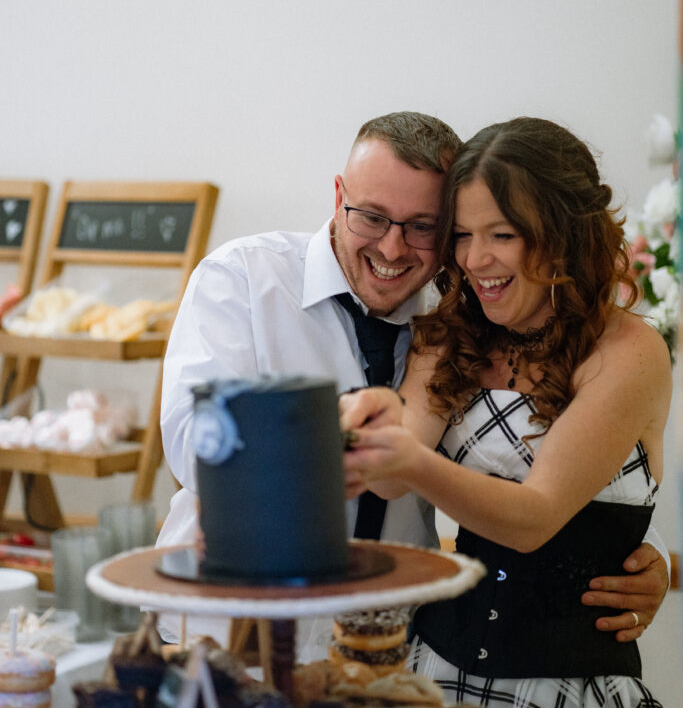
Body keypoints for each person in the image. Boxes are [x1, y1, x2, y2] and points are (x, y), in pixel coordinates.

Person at [156, 110, 669, 647]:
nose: (394, 248)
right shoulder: (243, 279)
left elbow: (570, 467)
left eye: (423, 227)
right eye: (372, 217)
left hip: (396, 643)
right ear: (338, 198)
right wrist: (330, 435)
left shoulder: (457, 313)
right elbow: (199, 450)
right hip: (235, 632)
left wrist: (632, 544)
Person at [340, 116, 683, 708]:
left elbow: (532, 519)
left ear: (561, 234)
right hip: (436, 682)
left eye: (502, 235)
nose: (474, 260)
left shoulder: (629, 352)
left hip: (565, 706)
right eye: (461, 235)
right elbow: (396, 469)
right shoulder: (448, 335)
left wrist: (406, 459)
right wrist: (365, 428)